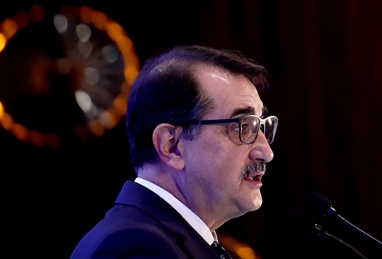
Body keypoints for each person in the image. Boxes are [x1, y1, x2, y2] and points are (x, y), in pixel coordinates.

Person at [72, 45, 277, 259]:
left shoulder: (162, 238)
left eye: (261, 126)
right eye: (242, 127)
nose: (266, 152)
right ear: (171, 146)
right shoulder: (138, 246)